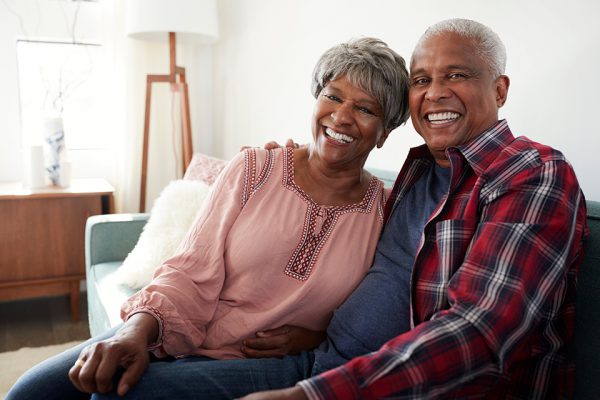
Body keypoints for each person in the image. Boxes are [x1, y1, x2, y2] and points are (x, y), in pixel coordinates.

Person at [5, 37, 411, 400]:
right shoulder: (255, 168)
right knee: (30, 391)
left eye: (364, 109)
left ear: (385, 131)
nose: (341, 116)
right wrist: (136, 329)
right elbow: (190, 269)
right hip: (179, 323)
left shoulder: (387, 212)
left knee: (114, 394)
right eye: (333, 96)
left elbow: (375, 317)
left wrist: (318, 336)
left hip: (259, 362)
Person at [240, 18, 589, 399]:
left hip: (383, 390)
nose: (435, 93)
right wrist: (286, 170)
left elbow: (479, 333)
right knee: (163, 382)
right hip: (322, 362)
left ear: (499, 90)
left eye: (455, 75)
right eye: (421, 80)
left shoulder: (531, 173)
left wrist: (311, 395)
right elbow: (385, 280)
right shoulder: (418, 172)